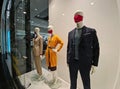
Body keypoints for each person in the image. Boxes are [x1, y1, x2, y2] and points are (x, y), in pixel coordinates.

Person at [67, 10, 100, 89]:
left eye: (78, 15)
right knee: (73, 83)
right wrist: (68, 60)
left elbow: (96, 48)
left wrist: (95, 64)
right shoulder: (70, 33)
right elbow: (68, 48)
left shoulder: (91, 31)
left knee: (86, 83)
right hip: (72, 62)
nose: (76, 17)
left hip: (85, 62)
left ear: (82, 17)